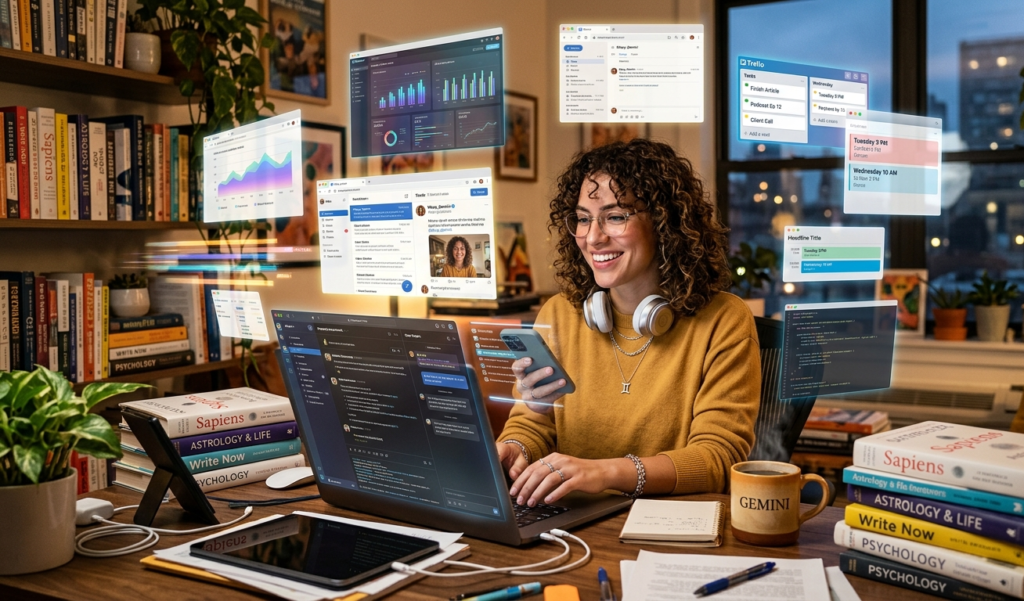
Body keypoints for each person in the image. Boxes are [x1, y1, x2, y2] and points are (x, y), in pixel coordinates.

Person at [496, 139, 760, 508]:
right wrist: (515, 447)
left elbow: (718, 458)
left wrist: (604, 472)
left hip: (672, 527)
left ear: (665, 222)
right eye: (584, 218)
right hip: (576, 523)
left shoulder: (724, 320)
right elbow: (533, 423)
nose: (593, 237)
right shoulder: (558, 314)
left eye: (616, 216)